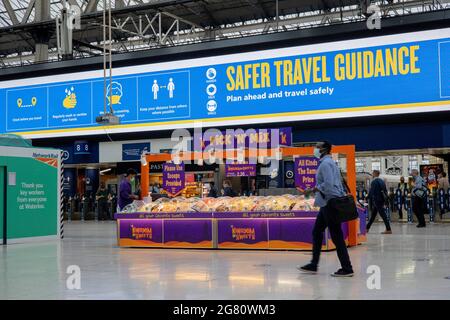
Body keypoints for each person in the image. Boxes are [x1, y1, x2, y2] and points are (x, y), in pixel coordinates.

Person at [298, 141, 354, 277]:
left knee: (336, 236)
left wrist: (313, 189)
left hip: (329, 203)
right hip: (326, 203)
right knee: (317, 232)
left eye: (317, 146)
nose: (315, 149)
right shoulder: (331, 163)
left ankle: (347, 268)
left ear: (324, 149)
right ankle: (313, 264)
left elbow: (328, 185)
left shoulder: (325, 164)